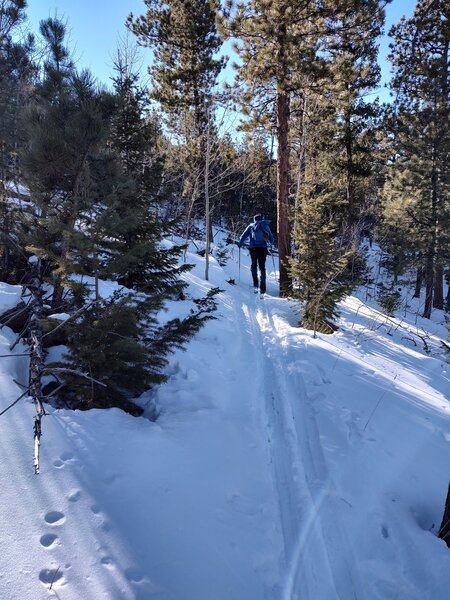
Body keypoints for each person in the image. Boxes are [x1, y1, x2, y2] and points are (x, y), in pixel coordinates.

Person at [237, 214, 274, 294]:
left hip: (253, 249)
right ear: (261, 219)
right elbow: (271, 238)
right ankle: (263, 287)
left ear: (254, 219)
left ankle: (255, 284)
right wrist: (271, 243)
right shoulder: (265, 226)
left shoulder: (251, 226)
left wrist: (240, 243)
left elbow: (243, 236)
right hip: (263, 249)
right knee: (262, 267)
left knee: (254, 265)